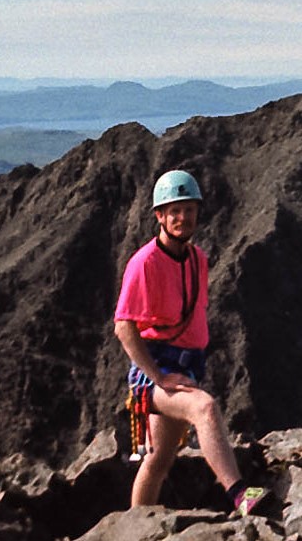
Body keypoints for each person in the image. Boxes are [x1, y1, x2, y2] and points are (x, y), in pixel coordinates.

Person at [114, 169, 265, 514]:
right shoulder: (145, 263)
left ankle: (135, 526)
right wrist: (158, 377)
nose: (182, 217)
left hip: (185, 365)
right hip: (155, 371)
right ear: (160, 217)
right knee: (205, 408)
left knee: (158, 460)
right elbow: (124, 327)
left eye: (189, 210)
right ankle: (241, 495)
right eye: (175, 211)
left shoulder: (197, 259)